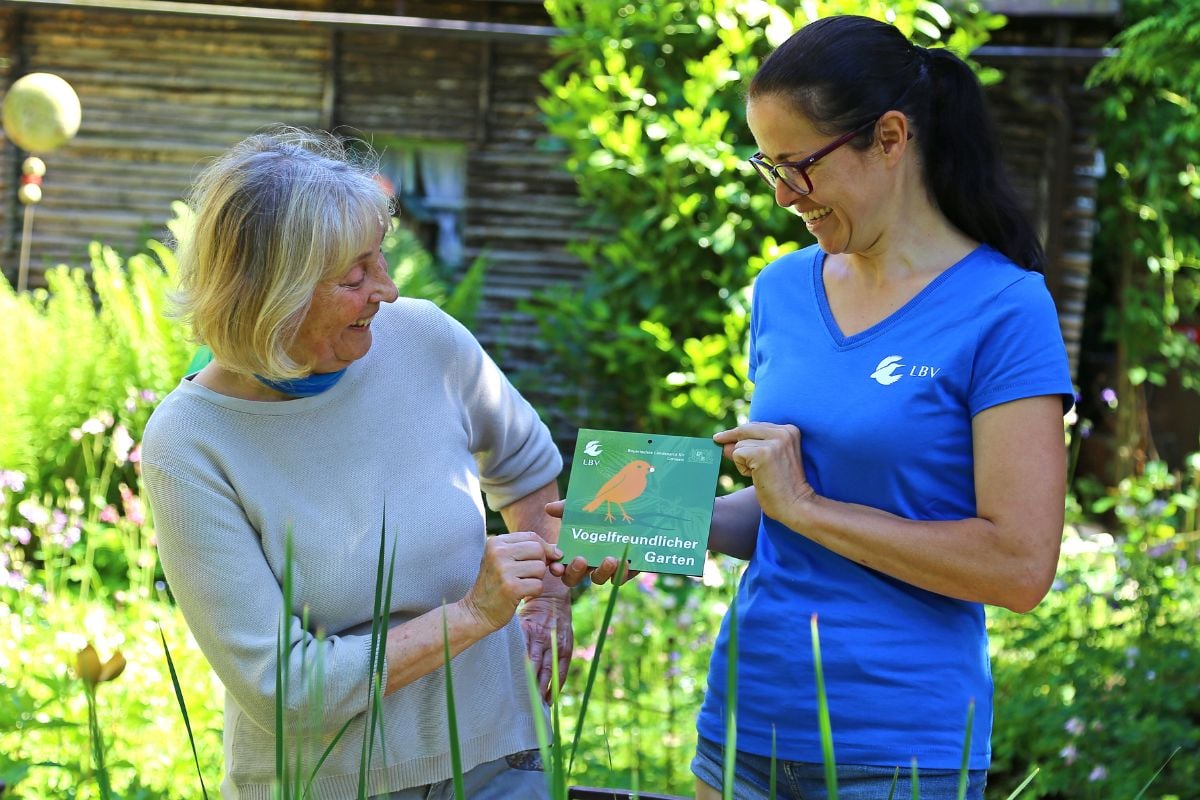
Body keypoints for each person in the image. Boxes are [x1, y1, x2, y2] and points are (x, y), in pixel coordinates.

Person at [142, 128, 611, 799]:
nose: (387, 290)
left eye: (380, 260)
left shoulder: (425, 339)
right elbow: (283, 689)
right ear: (274, 292)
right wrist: (473, 616)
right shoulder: (190, 442)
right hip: (329, 781)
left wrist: (550, 596)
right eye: (356, 276)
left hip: (501, 757)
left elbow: (527, 465)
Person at [689, 15, 1074, 800]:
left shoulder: (1004, 308)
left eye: (799, 167)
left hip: (897, 752)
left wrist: (804, 506)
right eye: (769, 166)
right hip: (741, 732)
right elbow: (782, 511)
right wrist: (646, 516)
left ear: (891, 138)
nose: (784, 197)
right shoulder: (783, 289)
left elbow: (1019, 567)